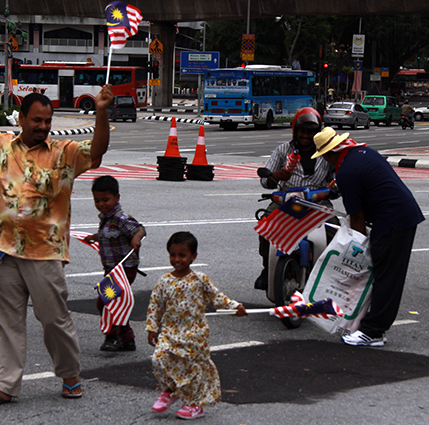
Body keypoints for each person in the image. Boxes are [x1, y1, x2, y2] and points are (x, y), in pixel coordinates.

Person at [0, 63, 114, 404]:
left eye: (47, 121)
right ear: (21, 119)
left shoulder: (66, 153)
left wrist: (103, 113)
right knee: (4, 322)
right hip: (4, 250)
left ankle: (70, 374)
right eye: (37, 120)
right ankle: (2, 384)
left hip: (45, 253)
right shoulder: (0, 146)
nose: (43, 127)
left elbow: (99, 151)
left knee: (54, 320)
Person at [312, 127, 424, 347]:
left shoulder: (346, 172)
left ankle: (373, 332)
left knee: (386, 277)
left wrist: (357, 250)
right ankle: (372, 325)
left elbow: (357, 217)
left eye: (324, 156)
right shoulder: (362, 153)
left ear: (329, 154)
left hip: (392, 221)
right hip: (401, 214)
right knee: (386, 275)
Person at [146, 232, 247, 420]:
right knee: (159, 359)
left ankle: (194, 405)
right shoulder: (164, 282)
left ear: (193, 257)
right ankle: (170, 390)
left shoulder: (199, 279)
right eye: (173, 255)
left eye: (182, 255)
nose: (177, 259)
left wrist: (235, 306)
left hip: (195, 334)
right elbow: (155, 306)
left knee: (193, 370)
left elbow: (218, 297)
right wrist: (152, 328)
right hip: (169, 332)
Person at [255, 107, 336, 289]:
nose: (306, 135)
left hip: (318, 203)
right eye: (302, 131)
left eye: (312, 131)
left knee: (336, 230)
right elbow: (264, 181)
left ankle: (330, 276)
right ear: (295, 131)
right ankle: (267, 268)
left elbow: (337, 176)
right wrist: (276, 175)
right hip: (287, 201)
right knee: (266, 226)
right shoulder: (283, 150)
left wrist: (335, 187)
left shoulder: (326, 151)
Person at [84, 175, 146, 352]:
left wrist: (136, 238)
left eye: (106, 199)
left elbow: (140, 229)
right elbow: (107, 232)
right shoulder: (106, 218)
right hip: (112, 270)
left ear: (117, 198)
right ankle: (127, 339)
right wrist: (94, 237)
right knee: (113, 302)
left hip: (124, 269)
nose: (101, 204)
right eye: (97, 200)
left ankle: (112, 337)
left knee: (105, 302)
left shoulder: (120, 218)